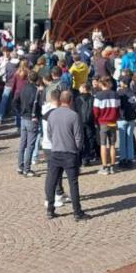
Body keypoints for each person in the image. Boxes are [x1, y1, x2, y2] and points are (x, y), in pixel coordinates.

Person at [45, 90, 89, 221]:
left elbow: (49, 134)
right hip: (70, 153)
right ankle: (77, 212)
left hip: (55, 152)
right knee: (73, 183)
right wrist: (76, 150)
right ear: (70, 101)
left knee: (51, 181)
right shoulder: (74, 116)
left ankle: (50, 210)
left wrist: (56, 143)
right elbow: (79, 138)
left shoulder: (52, 115)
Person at [14, 70, 41, 177]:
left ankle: (20, 166)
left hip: (23, 118)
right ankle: (27, 169)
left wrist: (19, 113)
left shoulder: (23, 88)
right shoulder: (36, 91)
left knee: (22, 144)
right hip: (32, 119)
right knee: (30, 145)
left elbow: (14, 102)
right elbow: (39, 106)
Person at [93, 76, 120, 175]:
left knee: (103, 144)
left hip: (103, 122)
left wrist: (96, 121)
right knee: (112, 144)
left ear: (101, 84)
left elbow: (96, 111)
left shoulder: (98, 95)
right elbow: (118, 109)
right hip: (113, 121)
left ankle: (105, 166)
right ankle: (112, 166)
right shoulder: (115, 94)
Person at [117, 74, 136, 168]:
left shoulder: (119, 93)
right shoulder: (133, 92)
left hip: (122, 118)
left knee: (122, 140)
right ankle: (130, 157)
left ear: (122, 83)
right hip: (131, 118)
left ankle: (123, 158)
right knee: (130, 138)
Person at [74, 82, 97, 166]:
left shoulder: (77, 98)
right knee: (89, 140)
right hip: (90, 122)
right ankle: (86, 158)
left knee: (80, 140)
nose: (79, 88)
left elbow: (75, 110)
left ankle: (79, 159)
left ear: (84, 88)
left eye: (80, 87)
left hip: (79, 121)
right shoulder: (93, 98)